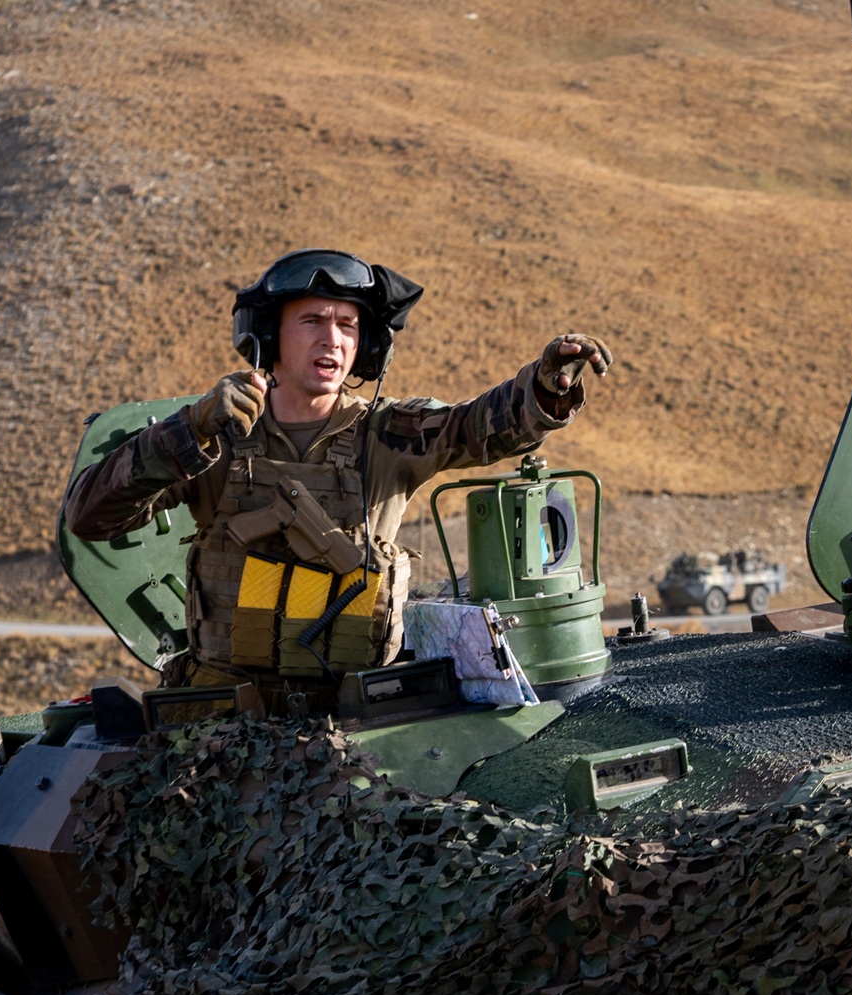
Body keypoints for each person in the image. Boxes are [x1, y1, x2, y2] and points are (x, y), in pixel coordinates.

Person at [64, 249, 612, 707]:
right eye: (312, 321)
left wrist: (542, 391)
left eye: (348, 326)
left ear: (366, 347)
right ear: (268, 338)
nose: (333, 339)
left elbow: (478, 427)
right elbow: (91, 517)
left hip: (352, 719)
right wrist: (184, 433)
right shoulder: (216, 434)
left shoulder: (389, 432)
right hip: (222, 719)